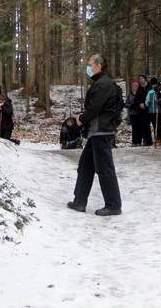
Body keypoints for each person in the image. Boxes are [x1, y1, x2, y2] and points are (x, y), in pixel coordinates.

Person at [67, 53, 123, 216]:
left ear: (99, 66)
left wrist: (81, 120)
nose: (89, 68)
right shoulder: (101, 83)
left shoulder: (103, 84)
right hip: (96, 131)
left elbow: (95, 107)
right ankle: (80, 201)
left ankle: (113, 205)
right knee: (85, 166)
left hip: (101, 130)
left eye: (91, 64)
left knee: (104, 167)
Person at [145, 77, 161, 146]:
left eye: (154, 85)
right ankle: (156, 138)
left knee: (159, 125)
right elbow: (146, 102)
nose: (153, 86)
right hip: (151, 111)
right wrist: (147, 101)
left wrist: (158, 100)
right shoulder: (150, 92)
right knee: (154, 125)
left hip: (158, 110)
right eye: (152, 85)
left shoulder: (158, 91)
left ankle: (159, 139)